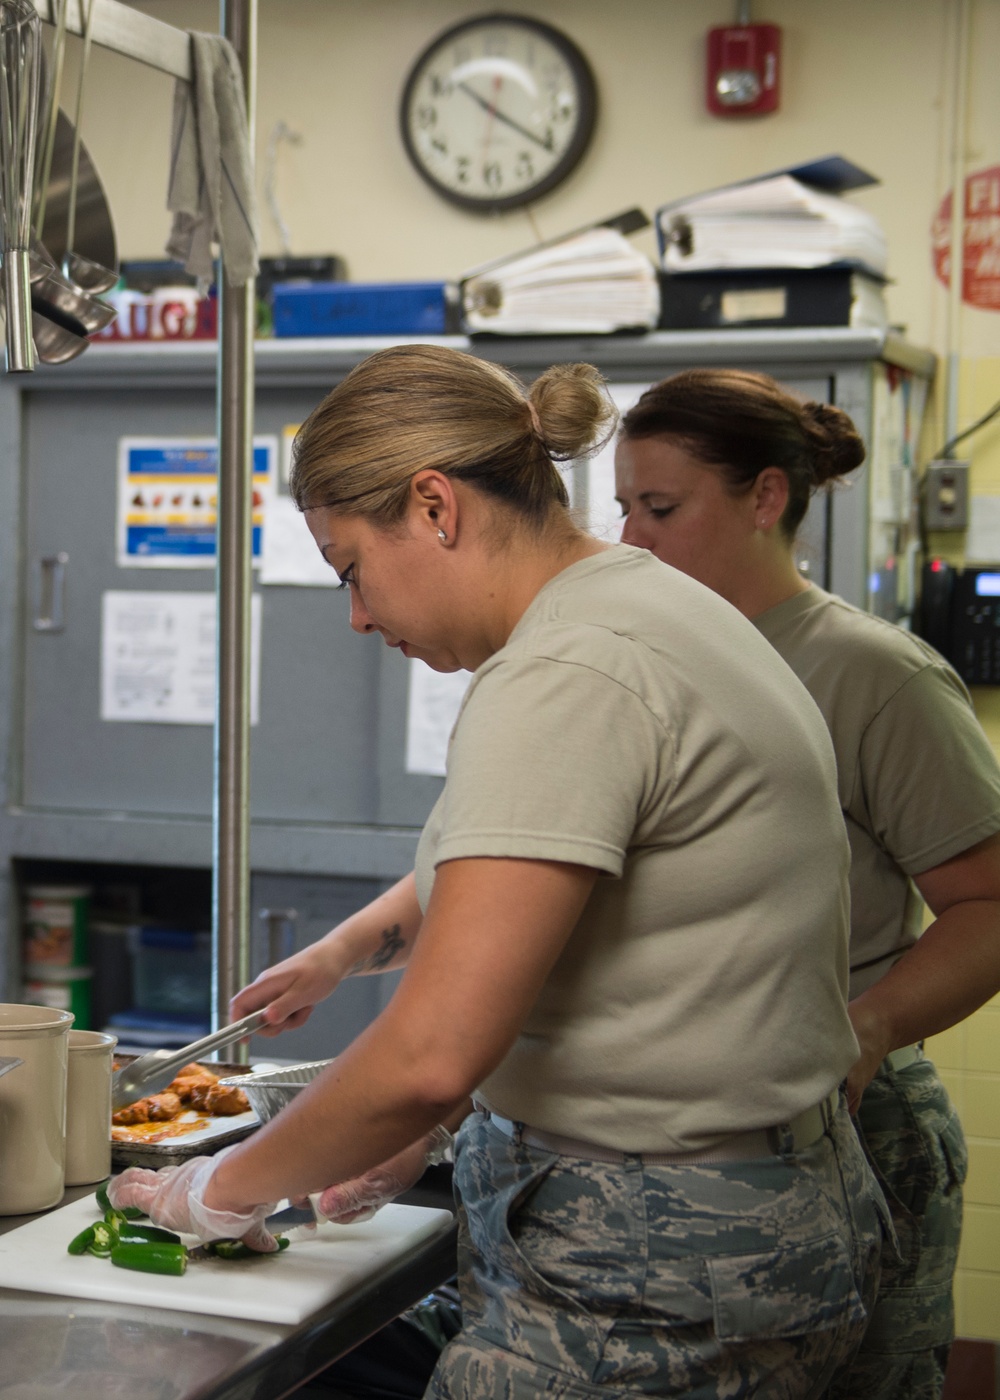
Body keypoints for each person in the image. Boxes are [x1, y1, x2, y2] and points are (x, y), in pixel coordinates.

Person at [111, 344, 886, 1399]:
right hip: (746, 1222)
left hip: (655, 1263)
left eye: (351, 568)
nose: (357, 615)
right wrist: (430, 1123)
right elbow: (612, 949)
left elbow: (432, 1048)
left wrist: (218, 1188)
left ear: (434, 506)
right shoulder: (642, 604)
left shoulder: (566, 671)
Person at [615, 366, 1000, 1400]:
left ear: (765, 498)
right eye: (620, 509)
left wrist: (868, 1027)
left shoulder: (875, 675)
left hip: (852, 1119)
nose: (629, 540)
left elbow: (986, 905)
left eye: (659, 508)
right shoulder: (644, 664)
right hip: (687, 1137)